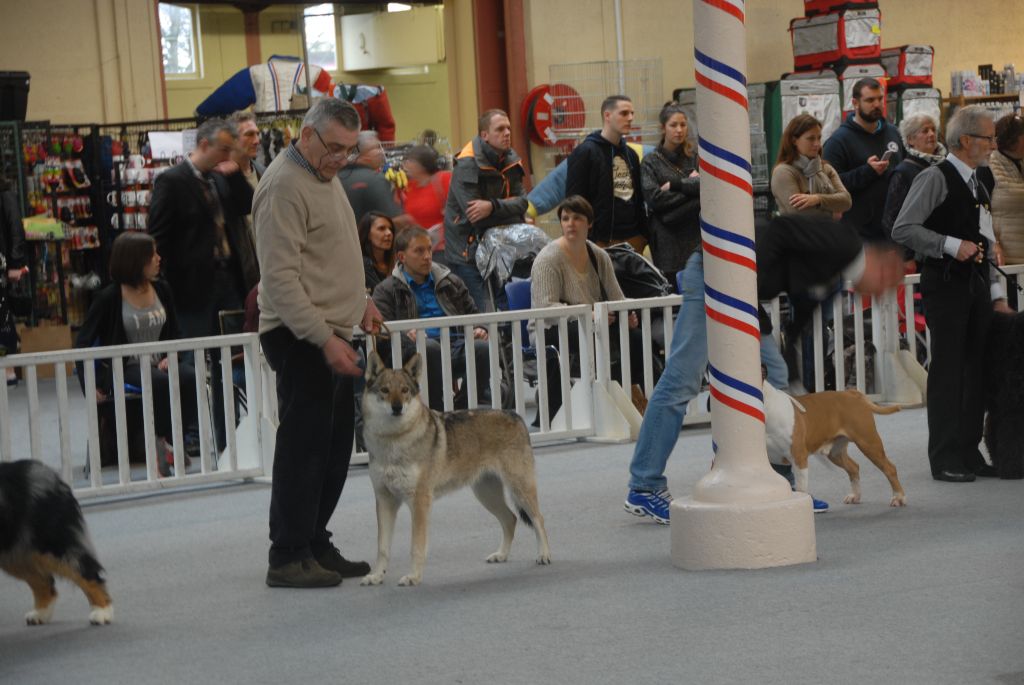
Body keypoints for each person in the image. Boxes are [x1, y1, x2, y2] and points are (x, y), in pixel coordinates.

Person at [624, 213, 905, 523]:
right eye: (887, 285)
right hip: (718, 275)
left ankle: (784, 483)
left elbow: (798, 324)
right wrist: (746, 285)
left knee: (778, 373)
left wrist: (796, 383)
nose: (880, 295)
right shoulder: (844, 243)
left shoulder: (838, 274)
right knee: (682, 380)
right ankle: (645, 485)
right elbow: (782, 230)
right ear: (883, 262)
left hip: (744, 290)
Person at [253, 97, 379, 588]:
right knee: (303, 449)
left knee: (332, 449)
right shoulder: (283, 187)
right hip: (299, 334)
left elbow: (340, 246)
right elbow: (280, 281)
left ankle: (313, 541)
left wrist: (362, 300)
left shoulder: (324, 179)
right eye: (334, 148)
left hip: (331, 330)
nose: (341, 159)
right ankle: (286, 554)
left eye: (350, 150)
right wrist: (324, 339)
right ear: (306, 135)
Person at [892, 105, 1012, 483]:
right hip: (944, 284)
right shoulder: (935, 178)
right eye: (989, 138)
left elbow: (985, 237)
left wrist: (995, 291)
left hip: (976, 284)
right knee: (947, 372)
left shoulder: (980, 179)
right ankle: (944, 456)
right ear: (965, 141)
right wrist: (947, 243)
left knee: (976, 369)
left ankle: (968, 450)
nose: (994, 145)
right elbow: (903, 228)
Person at [148, 118, 255, 452]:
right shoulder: (171, 181)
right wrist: (163, 286)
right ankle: (192, 434)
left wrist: (235, 174)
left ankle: (229, 437)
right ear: (204, 145)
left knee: (232, 361)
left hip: (228, 282)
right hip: (190, 288)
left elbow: (248, 205)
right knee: (193, 364)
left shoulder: (222, 177)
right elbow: (158, 235)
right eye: (224, 147)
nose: (229, 153)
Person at [74, 232, 198, 476]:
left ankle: (172, 439)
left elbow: (176, 332)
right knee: (161, 383)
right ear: (135, 260)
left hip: (159, 361)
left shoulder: (162, 289)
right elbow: (83, 343)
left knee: (189, 376)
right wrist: (91, 385)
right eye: (153, 255)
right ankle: (160, 444)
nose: (159, 259)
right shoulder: (108, 298)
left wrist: (171, 356)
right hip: (124, 367)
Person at [530, 196, 649, 421]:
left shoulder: (599, 255)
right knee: (591, 334)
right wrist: (588, 313)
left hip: (596, 324)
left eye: (577, 218)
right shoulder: (548, 259)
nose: (570, 223)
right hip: (552, 327)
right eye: (565, 219)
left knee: (636, 338)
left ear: (589, 223)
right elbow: (545, 307)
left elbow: (617, 297)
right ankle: (602, 404)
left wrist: (628, 315)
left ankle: (632, 399)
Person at [372, 227, 491, 411]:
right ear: (402, 257)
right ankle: (436, 411)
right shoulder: (385, 290)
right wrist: (404, 335)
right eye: (419, 251)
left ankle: (463, 408)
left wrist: (480, 327)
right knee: (429, 348)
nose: (427, 256)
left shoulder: (451, 282)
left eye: (429, 249)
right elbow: (381, 332)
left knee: (482, 347)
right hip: (410, 354)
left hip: (453, 346)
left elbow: (474, 314)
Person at [443, 109, 528, 312]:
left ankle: (508, 343)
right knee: (480, 316)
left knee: (509, 308)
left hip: (501, 247)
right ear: (484, 135)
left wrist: (492, 206)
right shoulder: (467, 163)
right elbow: (476, 217)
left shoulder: (511, 158)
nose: (507, 133)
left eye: (508, 128)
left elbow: (524, 203)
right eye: (500, 129)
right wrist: (510, 211)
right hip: (468, 250)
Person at [822, 78, 904, 243]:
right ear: (855, 103)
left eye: (880, 99)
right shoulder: (838, 142)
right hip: (859, 235)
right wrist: (867, 172)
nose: (877, 104)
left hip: (894, 231)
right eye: (870, 100)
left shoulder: (894, 133)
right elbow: (828, 187)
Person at [565, 95, 647, 251]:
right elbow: (573, 201)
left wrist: (643, 235)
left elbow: (639, 199)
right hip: (601, 240)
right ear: (607, 116)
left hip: (634, 237)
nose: (630, 118)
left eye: (632, 113)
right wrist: (587, 238)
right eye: (624, 113)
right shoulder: (585, 152)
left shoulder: (631, 154)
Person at [641, 102, 701, 286]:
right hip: (666, 236)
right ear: (663, 128)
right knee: (671, 288)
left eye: (683, 125)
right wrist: (690, 189)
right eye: (673, 125)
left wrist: (674, 185)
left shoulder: (694, 157)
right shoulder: (651, 161)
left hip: (693, 233)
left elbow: (706, 188)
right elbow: (655, 199)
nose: (679, 130)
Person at [771, 113, 852, 220]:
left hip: (828, 235)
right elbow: (798, 213)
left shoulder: (825, 168)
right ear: (794, 140)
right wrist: (832, 214)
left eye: (819, 138)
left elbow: (846, 201)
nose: (817, 144)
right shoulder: (783, 172)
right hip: (797, 235)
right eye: (811, 139)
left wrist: (817, 199)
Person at [882, 113, 947, 240]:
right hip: (919, 249)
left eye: (933, 129)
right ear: (910, 139)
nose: (931, 134)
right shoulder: (903, 172)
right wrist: (906, 256)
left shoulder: (945, 164)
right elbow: (890, 221)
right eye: (925, 131)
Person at [338, 129, 401, 224]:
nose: (381, 152)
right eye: (376, 147)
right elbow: (392, 220)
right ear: (362, 153)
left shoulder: (336, 178)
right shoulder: (376, 180)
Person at [401, 144, 451, 261]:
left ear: (422, 164)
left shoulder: (443, 179)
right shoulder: (407, 187)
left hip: (442, 248)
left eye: (410, 161)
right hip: (418, 248)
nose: (406, 165)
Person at [0, 172, 26, 384]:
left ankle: (8, 369)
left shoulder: (6, 195)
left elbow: (15, 229)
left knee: (3, 315)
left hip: (2, 265)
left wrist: (15, 263)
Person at [989, 113, 1024, 266]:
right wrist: (993, 243)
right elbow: (979, 210)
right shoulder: (988, 167)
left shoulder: (1020, 161)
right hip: (1006, 258)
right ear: (1013, 140)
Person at [358, 211, 395, 295]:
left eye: (391, 229)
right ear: (368, 234)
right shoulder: (359, 267)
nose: (389, 233)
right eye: (381, 228)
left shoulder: (398, 264)